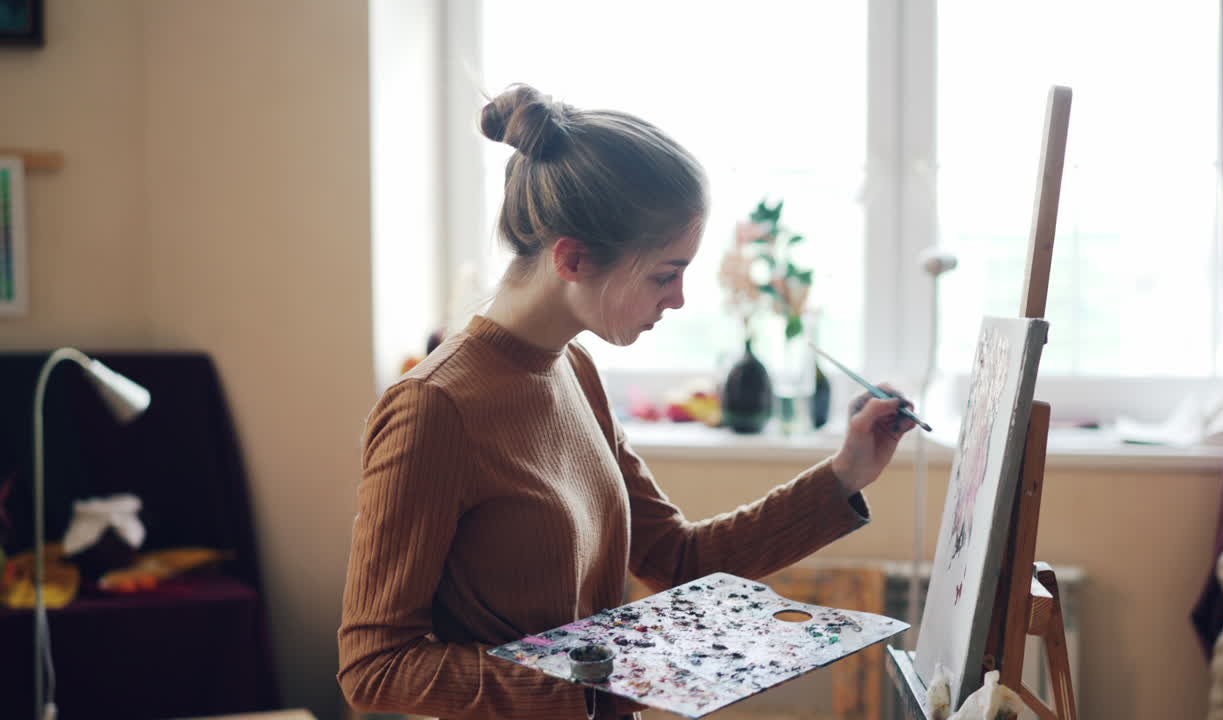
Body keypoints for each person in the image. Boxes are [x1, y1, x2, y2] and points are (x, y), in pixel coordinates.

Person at [337, 84, 917, 720]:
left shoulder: (577, 371)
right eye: (665, 274)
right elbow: (375, 666)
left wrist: (846, 473)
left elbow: (678, 559)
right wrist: (596, 683)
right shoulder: (434, 408)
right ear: (573, 259)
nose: (679, 300)